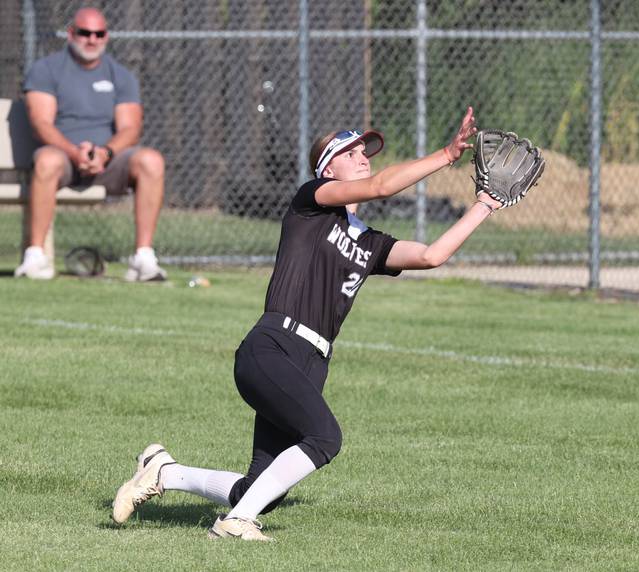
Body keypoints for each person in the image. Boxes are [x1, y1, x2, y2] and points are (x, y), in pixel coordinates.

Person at [111, 106, 505, 541]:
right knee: (324, 437)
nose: (362, 156)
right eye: (350, 150)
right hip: (273, 347)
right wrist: (447, 155)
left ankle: (165, 472)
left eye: (365, 150)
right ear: (327, 169)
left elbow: (432, 256)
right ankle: (235, 524)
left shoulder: (371, 242)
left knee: (260, 488)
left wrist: (485, 205)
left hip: (312, 363)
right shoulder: (311, 203)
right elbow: (378, 186)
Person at [14, 7, 167, 281]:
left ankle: (143, 259)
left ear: (106, 36)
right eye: (85, 33)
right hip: (63, 160)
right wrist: (74, 152)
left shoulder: (120, 75)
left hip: (106, 162)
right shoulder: (46, 70)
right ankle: (35, 258)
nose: (92, 39)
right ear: (71, 34)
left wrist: (105, 153)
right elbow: (41, 123)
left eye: (99, 33)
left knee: (151, 160)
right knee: (47, 160)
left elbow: (131, 128)